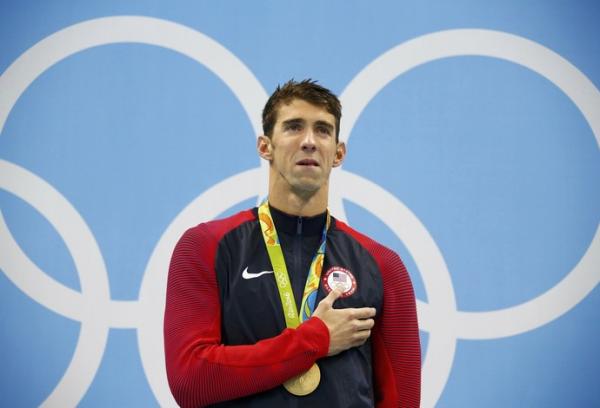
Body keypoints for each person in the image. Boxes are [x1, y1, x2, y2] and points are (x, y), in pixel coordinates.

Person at [164, 79, 421, 407]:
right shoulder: (206, 247)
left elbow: (404, 400)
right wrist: (316, 339)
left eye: (323, 130)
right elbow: (191, 380)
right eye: (294, 127)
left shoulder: (382, 266)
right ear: (264, 146)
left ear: (338, 153)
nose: (310, 141)